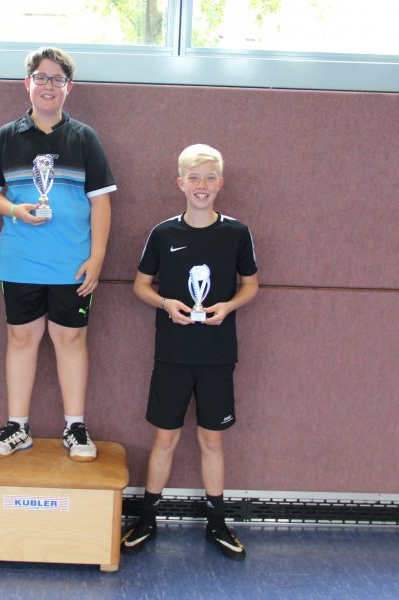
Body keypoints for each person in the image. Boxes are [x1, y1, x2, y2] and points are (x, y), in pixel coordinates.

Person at [0, 47, 116, 462]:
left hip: (73, 263)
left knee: (71, 339)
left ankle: (75, 426)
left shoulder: (84, 138)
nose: (48, 86)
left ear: (69, 87)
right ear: (28, 83)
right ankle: (18, 427)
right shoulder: (7, 136)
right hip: (21, 261)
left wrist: (97, 258)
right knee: (21, 338)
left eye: (57, 79)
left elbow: (102, 202)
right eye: (41, 77)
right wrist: (13, 210)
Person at [122, 144, 258, 559]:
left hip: (217, 354)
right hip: (173, 353)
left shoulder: (237, 233)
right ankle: (147, 518)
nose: (202, 185)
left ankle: (217, 523)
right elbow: (140, 285)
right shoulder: (163, 233)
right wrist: (166, 303)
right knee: (164, 438)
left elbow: (251, 285)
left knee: (212, 440)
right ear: (180, 183)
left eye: (209, 177)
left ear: (221, 183)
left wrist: (228, 307)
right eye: (194, 177)